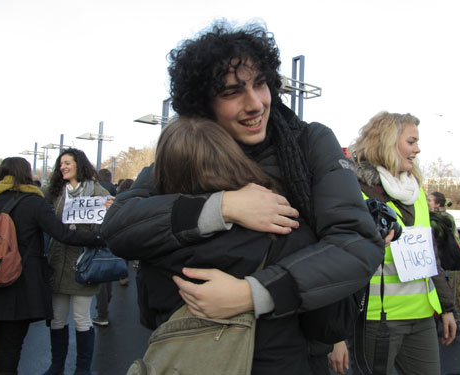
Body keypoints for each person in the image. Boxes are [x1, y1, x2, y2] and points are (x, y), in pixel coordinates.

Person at [101, 20, 384, 373]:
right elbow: (119, 226)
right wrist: (223, 207)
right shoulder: (187, 154)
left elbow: (357, 242)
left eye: (260, 84)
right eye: (232, 92)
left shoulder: (309, 143)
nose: (255, 104)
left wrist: (253, 293)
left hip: (293, 354)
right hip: (197, 354)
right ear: (204, 104)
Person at [149, 116, 323, 373]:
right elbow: (328, 323)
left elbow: (148, 314)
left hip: (182, 362)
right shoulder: (284, 227)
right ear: (231, 157)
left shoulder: (153, 238)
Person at [333, 111, 457, 375]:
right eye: (411, 142)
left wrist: (446, 308)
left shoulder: (417, 192)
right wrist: (336, 335)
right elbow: (338, 261)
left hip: (423, 316)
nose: (418, 149)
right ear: (388, 142)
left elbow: (430, 256)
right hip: (377, 320)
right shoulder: (355, 190)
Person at [0, 157, 104, 375]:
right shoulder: (34, 202)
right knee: (13, 340)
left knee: (0, 335)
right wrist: (97, 238)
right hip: (20, 280)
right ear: (26, 174)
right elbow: (61, 234)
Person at [43, 148, 110, 375]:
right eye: (60, 163)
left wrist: (110, 209)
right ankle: (57, 365)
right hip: (57, 262)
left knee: (82, 318)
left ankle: (83, 369)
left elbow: (106, 226)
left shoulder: (98, 193)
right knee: (57, 318)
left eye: (67, 163)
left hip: (84, 263)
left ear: (79, 164)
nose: (62, 167)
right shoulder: (54, 192)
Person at [92, 169, 116, 327]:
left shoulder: (95, 193)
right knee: (107, 273)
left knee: (99, 275)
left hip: (96, 234)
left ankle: (102, 312)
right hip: (110, 234)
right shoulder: (114, 191)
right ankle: (105, 304)